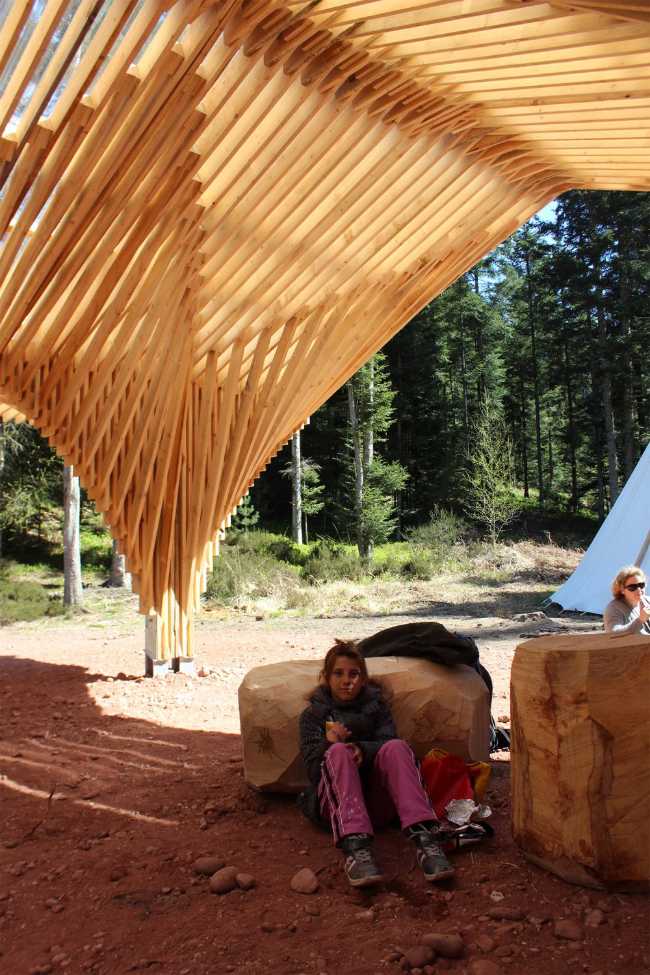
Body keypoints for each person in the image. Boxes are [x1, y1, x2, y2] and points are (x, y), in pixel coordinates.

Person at [299, 639, 455, 888]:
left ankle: (426, 840)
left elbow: (387, 741)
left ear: (363, 679)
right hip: (338, 809)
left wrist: (364, 749)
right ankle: (356, 850)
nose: (346, 680)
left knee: (396, 747)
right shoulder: (314, 715)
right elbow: (310, 770)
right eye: (338, 673)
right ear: (327, 677)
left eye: (354, 674)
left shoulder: (376, 707)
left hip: (378, 804)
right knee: (339, 752)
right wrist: (329, 745)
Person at [603, 566, 650, 635]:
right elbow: (613, 633)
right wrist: (640, 620)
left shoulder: (647, 600)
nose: (639, 590)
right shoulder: (614, 608)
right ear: (622, 590)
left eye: (641, 585)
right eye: (632, 587)